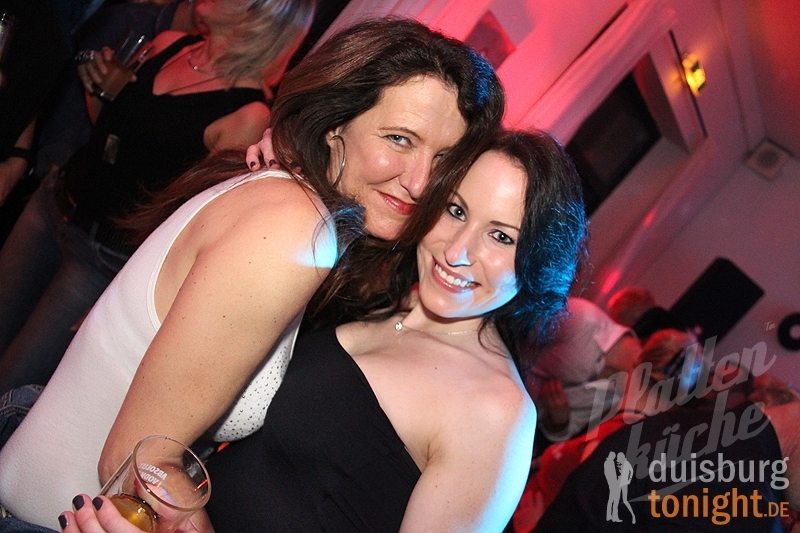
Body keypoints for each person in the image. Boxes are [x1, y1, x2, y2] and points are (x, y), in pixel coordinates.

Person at [0, 17, 505, 529]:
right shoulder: (294, 226)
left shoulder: (291, 198)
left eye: (444, 159)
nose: (420, 181)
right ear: (336, 125)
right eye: (398, 139)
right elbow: (140, 462)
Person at [60, 128, 589, 533]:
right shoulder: (380, 294)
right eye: (455, 210)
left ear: (539, 262)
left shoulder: (497, 413)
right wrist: (297, 157)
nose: (457, 250)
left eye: (501, 236)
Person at [0, 0, 315, 394]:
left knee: (14, 380)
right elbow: (116, 140)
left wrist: (121, 296)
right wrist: (102, 91)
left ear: (261, 16)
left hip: (99, 257)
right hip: (53, 204)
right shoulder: (170, 43)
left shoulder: (247, 115)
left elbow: (187, 217)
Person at [525, 296, 640, 443]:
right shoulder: (584, 319)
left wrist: (559, 421)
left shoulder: (616, 396)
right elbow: (516, 327)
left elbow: (563, 432)